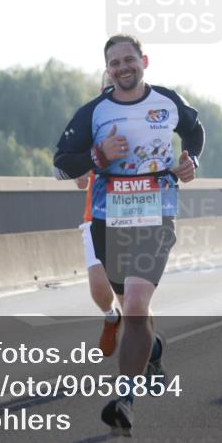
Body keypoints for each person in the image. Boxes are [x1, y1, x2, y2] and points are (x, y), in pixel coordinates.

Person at [53, 34, 204, 436]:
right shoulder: (95, 112)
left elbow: (195, 130)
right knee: (130, 307)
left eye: (128, 60)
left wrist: (192, 161)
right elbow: (61, 163)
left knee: (136, 305)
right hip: (109, 218)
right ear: (108, 69)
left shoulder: (167, 101)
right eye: (114, 62)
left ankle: (125, 400)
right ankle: (153, 350)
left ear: (144, 61)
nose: (122, 67)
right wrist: (98, 156)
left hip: (156, 213)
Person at [74, 73, 122, 357]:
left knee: (135, 301)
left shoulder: (143, 121)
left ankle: (151, 354)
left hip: (135, 217)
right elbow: (78, 163)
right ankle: (111, 316)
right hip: (97, 216)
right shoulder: (90, 124)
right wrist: (80, 174)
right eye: (107, 88)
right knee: (99, 287)